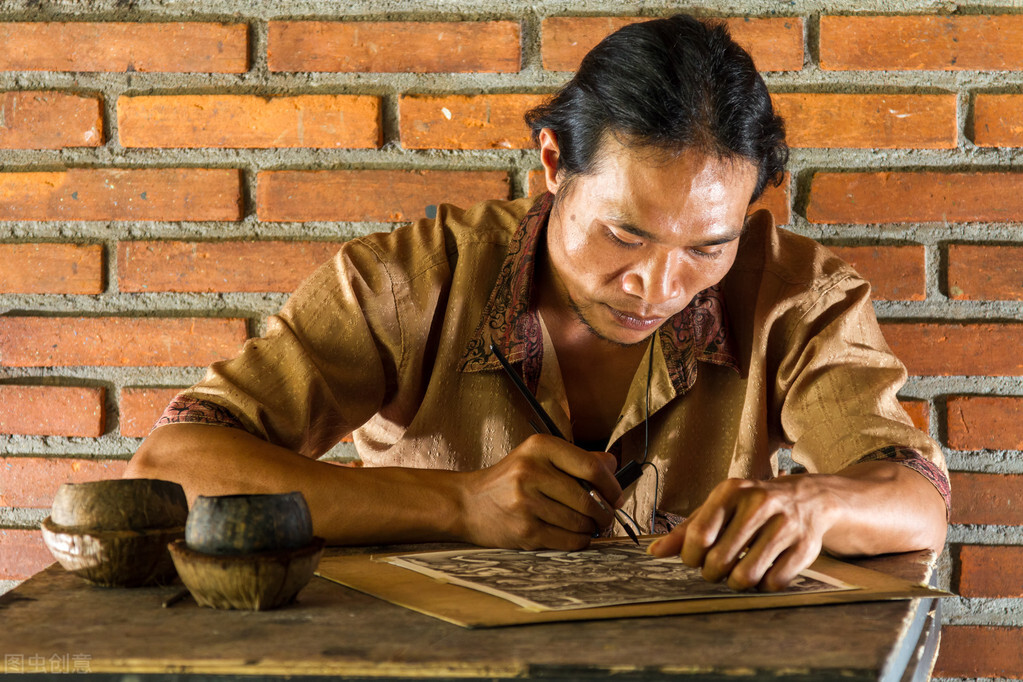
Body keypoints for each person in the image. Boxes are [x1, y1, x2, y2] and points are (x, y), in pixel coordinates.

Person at [125, 14, 949, 592]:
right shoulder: (409, 280)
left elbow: (914, 499)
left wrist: (812, 502)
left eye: (706, 247)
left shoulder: (795, 295)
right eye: (623, 235)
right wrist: (456, 504)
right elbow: (176, 468)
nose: (658, 289)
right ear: (552, 163)